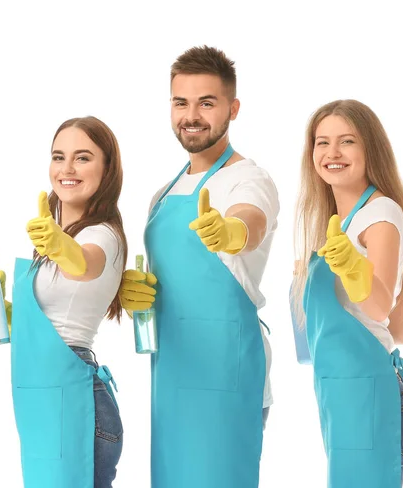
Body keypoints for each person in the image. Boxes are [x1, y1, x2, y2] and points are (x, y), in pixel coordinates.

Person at [119, 45, 279, 488]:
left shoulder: (249, 178)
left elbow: (252, 218)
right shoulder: (162, 195)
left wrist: (230, 233)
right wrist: (134, 295)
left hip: (225, 376)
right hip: (170, 374)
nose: (191, 115)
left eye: (206, 103)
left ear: (233, 108)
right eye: (180, 102)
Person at [0, 116, 127, 488]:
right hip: (44, 403)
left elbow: (85, 264)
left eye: (83, 158)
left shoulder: (103, 235)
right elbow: (49, 319)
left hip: (76, 402)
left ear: (107, 169)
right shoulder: (52, 241)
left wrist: (60, 246)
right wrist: (1, 309)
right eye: (59, 156)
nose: (67, 168)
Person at [291, 99, 403, 487]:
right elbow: (401, 330)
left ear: (370, 150)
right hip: (341, 393)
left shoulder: (380, 214)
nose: (332, 153)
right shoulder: (338, 224)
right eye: (322, 142)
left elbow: (379, 305)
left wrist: (352, 269)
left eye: (347, 141)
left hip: (368, 395)